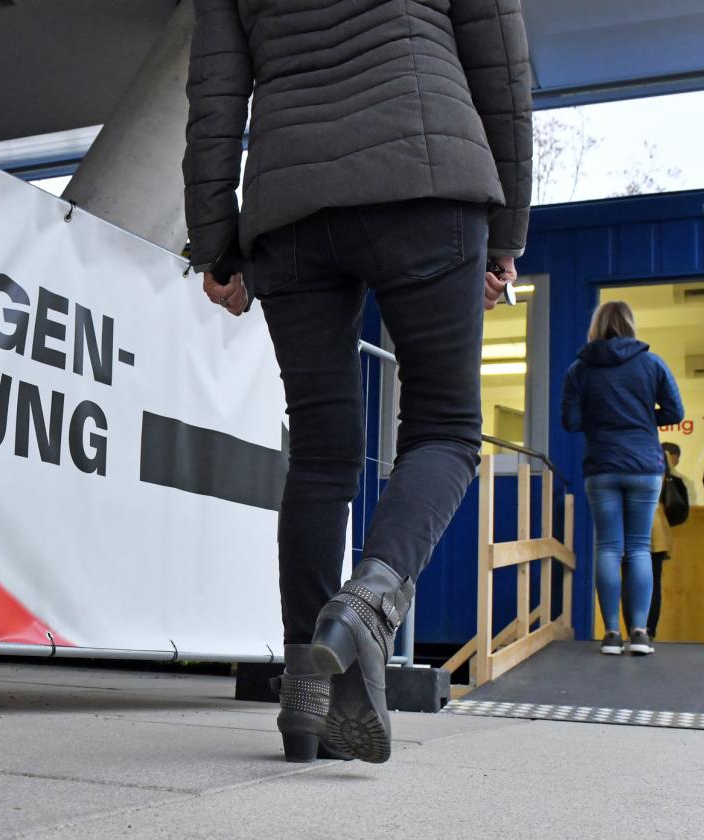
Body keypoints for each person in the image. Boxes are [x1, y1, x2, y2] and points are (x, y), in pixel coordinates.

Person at [182, 0, 532, 764]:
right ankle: (371, 602)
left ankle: (306, 709)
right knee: (442, 429)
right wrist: (507, 233)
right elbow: (503, 73)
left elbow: (213, 96)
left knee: (320, 453)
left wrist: (216, 245)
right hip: (427, 179)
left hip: (291, 207)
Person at [561, 301, 684, 656]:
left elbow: (570, 421)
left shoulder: (579, 369)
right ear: (630, 324)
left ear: (596, 326)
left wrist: (602, 422)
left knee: (609, 548)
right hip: (645, 467)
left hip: (602, 466)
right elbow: (676, 411)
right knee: (639, 548)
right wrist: (643, 420)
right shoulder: (652, 363)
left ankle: (612, 633)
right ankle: (641, 633)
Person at [622, 444, 686, 639]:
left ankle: (631, 630)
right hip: (656, 526)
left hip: (629, 523)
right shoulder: (660, 456)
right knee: (653, 582)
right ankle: (648, 631)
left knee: (629, 580)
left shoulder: (626, 453)